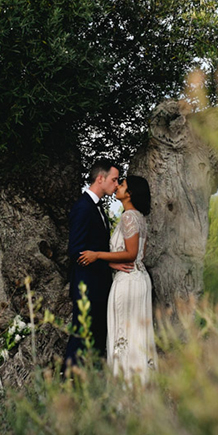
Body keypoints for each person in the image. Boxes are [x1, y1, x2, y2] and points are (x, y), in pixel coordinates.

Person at [78, 175, 156, 383]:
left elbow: (131, 254)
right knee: (136, 333)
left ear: (130, 194)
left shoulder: (128, 217)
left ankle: (126, 386)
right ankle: (140, 382)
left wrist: (98, 255)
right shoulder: (139, 217)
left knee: (124, 332)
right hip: (139, 278)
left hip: (128, 282)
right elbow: (139, 255)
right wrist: (112, 263)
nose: (117, 187)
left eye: (122, 185)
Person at [64, 158, 122, 368]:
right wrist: (102, 260)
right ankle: (68, 380)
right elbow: (76, 250)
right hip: (87, 284)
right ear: (100, 178)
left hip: (99, 283)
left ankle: (90, 383)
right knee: (82, 334)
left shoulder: (96, 207)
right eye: (114, 180)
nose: (116, 185)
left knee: (96, 334)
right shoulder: (83, 207)